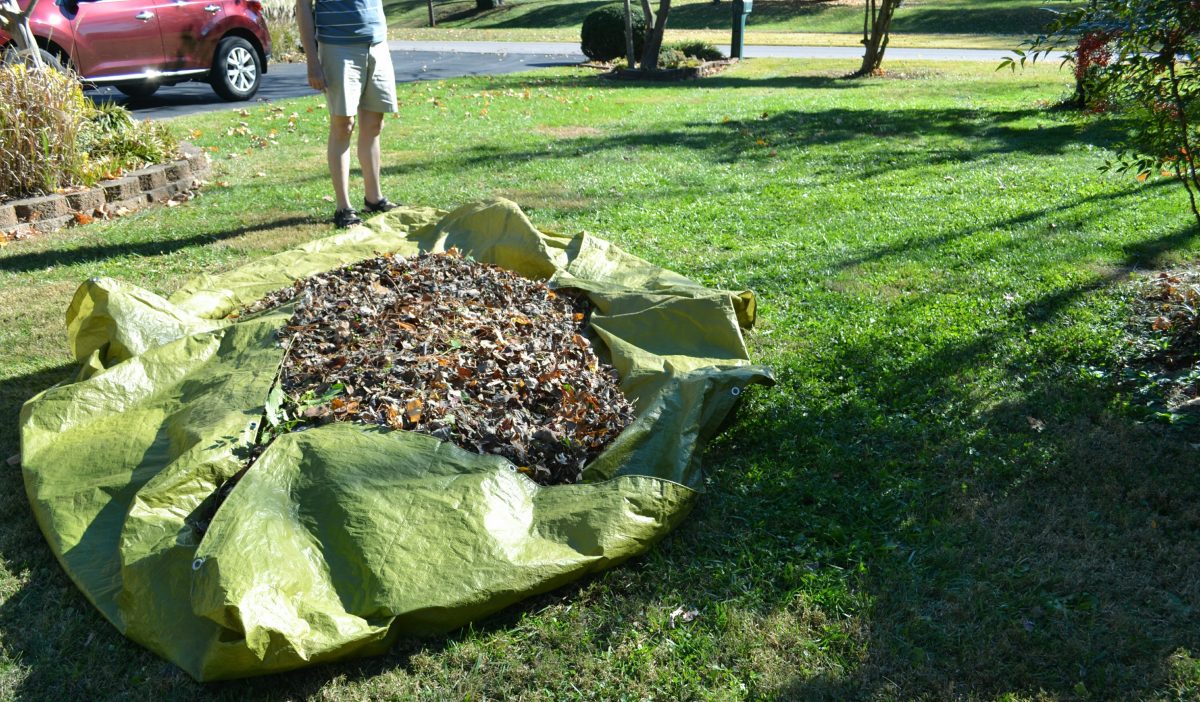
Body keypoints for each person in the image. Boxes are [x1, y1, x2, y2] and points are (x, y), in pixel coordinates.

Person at [297, 0, 400, 228]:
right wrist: (312, 62)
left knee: (374, 124)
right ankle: (343, 208)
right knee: (343, 125)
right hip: (337, 47)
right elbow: (303, 6)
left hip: (376, 43)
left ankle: (374, 199)